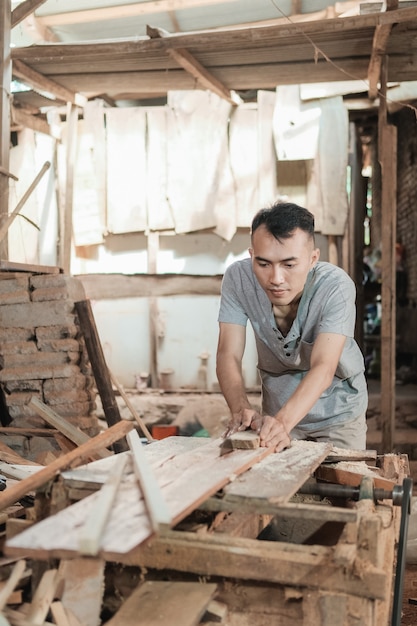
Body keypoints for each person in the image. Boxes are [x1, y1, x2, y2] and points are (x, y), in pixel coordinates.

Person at [216, 201, 368, 452]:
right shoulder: (237, 279)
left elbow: (324, 366)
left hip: (337, 412)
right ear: (252, 255)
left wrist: (282, 424)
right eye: (263, 264)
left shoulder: (335, 287)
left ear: (312, 259)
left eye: (289, 265)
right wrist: (239, 406)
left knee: (344, 485)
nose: (275, 279)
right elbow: (228, 354)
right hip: (276, 410)